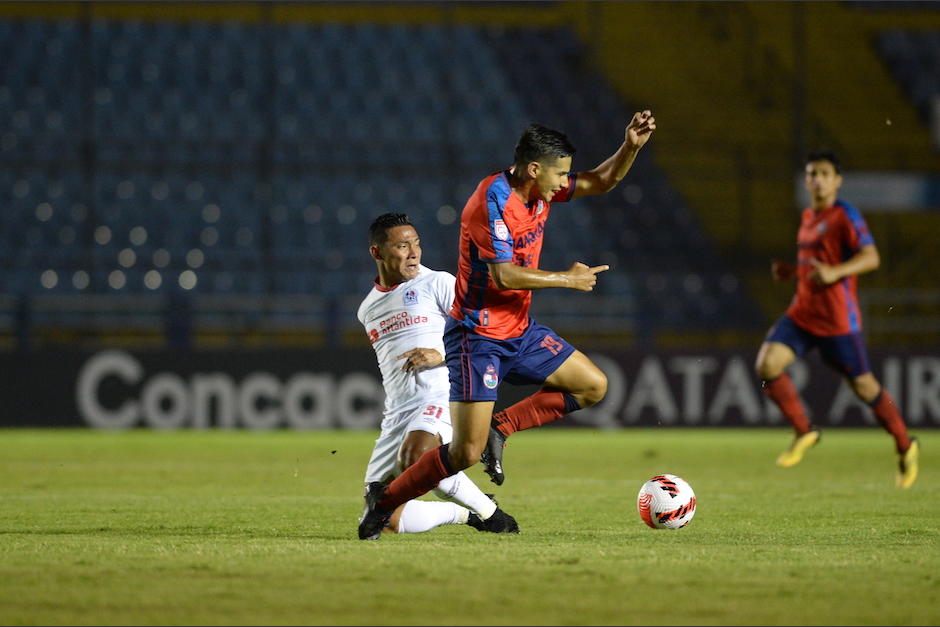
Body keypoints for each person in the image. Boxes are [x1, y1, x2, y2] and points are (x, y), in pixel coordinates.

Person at [359, 111, 656, 540]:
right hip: (478, 336)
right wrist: (566, 278)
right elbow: (503, 275)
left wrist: (631, 145)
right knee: (463, 452)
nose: (563, 183)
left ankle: (504, 426)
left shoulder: (540, 190)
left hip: (518, 328)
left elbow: (601, 181)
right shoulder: (490, 201)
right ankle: (383, 503)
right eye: (560, 175)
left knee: (592, 385)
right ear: (534, 169)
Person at [755, 151, 919, 488]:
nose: (817, 179)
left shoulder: (846, 216)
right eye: (811, 173)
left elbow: (871, 257)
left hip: (836, 321)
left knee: (865, 387)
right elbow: (815, 264)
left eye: (824, 173)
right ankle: (805, 431)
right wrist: (792, 271)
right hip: (801, 314)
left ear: (837, 180)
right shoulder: (808, 216)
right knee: (767, 365)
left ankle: (905, 444)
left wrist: (837, 272)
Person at [357, 212, 519, 536]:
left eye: (416, 244)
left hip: (439, 396)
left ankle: (492, 515)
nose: (414, 252)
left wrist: (442, 354)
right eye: (402, 246)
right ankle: (466, 515)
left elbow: (487, 334)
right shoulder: (367, 309)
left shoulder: (438, 283)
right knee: (385, 521)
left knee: (419, 456)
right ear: (377, 252)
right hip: (397, 413)